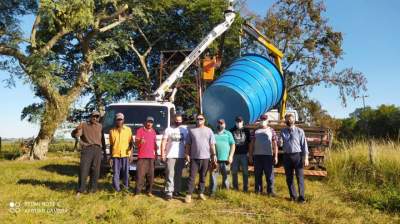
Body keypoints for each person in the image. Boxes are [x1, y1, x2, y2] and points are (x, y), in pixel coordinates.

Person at [185, 114, 217, 203]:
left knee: (203, 177)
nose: (199, 120)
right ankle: (188, 195)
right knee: (192, 177)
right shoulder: (191, 131)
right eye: (198, 119)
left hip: (206, 157)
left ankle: (201, 193)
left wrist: (214, 155)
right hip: (194, 157)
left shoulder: (209, 130)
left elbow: (212, 144)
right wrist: (187, 154)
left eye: (201, 119)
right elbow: (188, 144)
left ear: (204, 120)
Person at [71, 111, 105, 196]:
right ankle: (80, 190)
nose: (95, 118)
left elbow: (102, 139)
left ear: (99, 118)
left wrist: (103, 150)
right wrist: (76, 130)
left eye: (97, 117)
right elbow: (75, 135)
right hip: (87, 149)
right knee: (84, 170)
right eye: (94, 116)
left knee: (95, 171)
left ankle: (92, 190)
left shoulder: (100, 126)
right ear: (90, 116)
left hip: (97, 150)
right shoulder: (84, 125)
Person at [280, 113, 309, 203]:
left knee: (299, 177)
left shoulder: (300, 131)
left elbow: (304, 145)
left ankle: (302, 197)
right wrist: (279, 142)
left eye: (291, 119)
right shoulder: (283, 131)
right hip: (287, 156)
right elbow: (280, 143)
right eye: (287, 119)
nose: (289, 120)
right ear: (285, 121)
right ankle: (293, 196)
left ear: (294, 120)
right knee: (289, 178)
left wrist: (306, 157)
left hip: (297, 156)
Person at [161, 114, 188, 200]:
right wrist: (162, 154)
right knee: (170, 174)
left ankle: (176, 190)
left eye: (180, 120)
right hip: (170, 155)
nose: (178, 122)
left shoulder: (185, 130)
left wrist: (187, 154)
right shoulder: (168, 129)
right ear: (174, 120)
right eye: (177, 120)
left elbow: (187, 144)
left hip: (181, 156)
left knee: (178, 174)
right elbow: (164, 142)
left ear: (182, 121)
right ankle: (169, 192)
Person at [249, 114, 278, 196]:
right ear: (259, 120)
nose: (263, 121)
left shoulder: (271, 130)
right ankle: (258, 191)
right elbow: (251, 144)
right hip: (257, 156)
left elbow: (275, 144)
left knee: (269, 175)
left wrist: (275, 156)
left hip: (268, 156)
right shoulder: (255, 131)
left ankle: (270, 191)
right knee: (258, 174)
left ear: (267, 121)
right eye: (261, 119)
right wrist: (250, 156)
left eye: (264, 119)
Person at [210, 119, 235, 195]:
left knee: (226, 177)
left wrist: (231, 156)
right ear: (217, 124)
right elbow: (211, 145)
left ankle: (225, 192)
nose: (221, 124)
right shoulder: (213, 133)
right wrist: (213, 156)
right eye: (219, 123)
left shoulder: (228, 133)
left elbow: (233, 145)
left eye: (222, 123)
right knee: (214, 176)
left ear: (225, 124)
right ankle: (213, 192)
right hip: (216, 159)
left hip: (226, 159)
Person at [109, 113, 133, 192]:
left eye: (121, 119)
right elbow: (111, 145)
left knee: (126, 173)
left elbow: (131, 143)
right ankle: (117, 189)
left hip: (125, 155)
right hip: (115, 155)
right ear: (115, 120)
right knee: (116, 173)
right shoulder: (111, 131)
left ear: (123, 120)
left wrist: (131, 155)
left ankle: (125, 188)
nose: (119, 121)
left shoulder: (128, 130)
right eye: (118, 119)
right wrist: (111, 157)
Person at [135, 116, 157, 197]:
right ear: (145, 122)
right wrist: (140, 140)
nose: (149, 123)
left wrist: (157, 153)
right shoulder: (140, 130)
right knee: (140, 175)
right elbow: (136, 143)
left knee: (150, 176)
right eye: (148, 122)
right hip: (142, 157)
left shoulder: (154, 132)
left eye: (151, 122)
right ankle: (137, 192)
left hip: (151, 157)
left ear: (152, 123)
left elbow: (155, 144)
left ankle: (149, 191)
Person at [230, 116, 251, 192]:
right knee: (234, 171)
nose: (239, 123)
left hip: (244, 154)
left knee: (245, 172)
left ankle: (245, 188)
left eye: (240, 121)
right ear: (235, 122)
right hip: (234, 155)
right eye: (237, 121)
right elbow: (230, 143)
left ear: (242, 122)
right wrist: (230, 155)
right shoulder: (231, 130)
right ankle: (235, 187)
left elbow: (250, 142)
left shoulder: (246, 130)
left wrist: (249, 153)